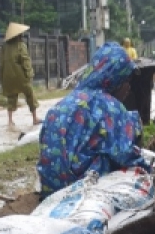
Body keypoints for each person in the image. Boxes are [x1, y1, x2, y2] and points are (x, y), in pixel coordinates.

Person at [37, 42, 147, 194]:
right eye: (126, 81)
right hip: (79, 186)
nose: (128, 88)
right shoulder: (110, 107)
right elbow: (125, 154)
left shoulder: (64, 102)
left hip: (50, 185)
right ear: (115, 80)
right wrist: (147, 167)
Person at [1, 22, 38, 128]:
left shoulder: (5, 47)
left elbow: (2, 63)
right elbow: (25, 61)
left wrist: (3, 78)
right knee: (30, 94)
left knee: (11, 97)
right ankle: (35, 118)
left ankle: (10, 120)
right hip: (20, 75)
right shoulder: (21, 46)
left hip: (7, 77)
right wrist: (30, 74)